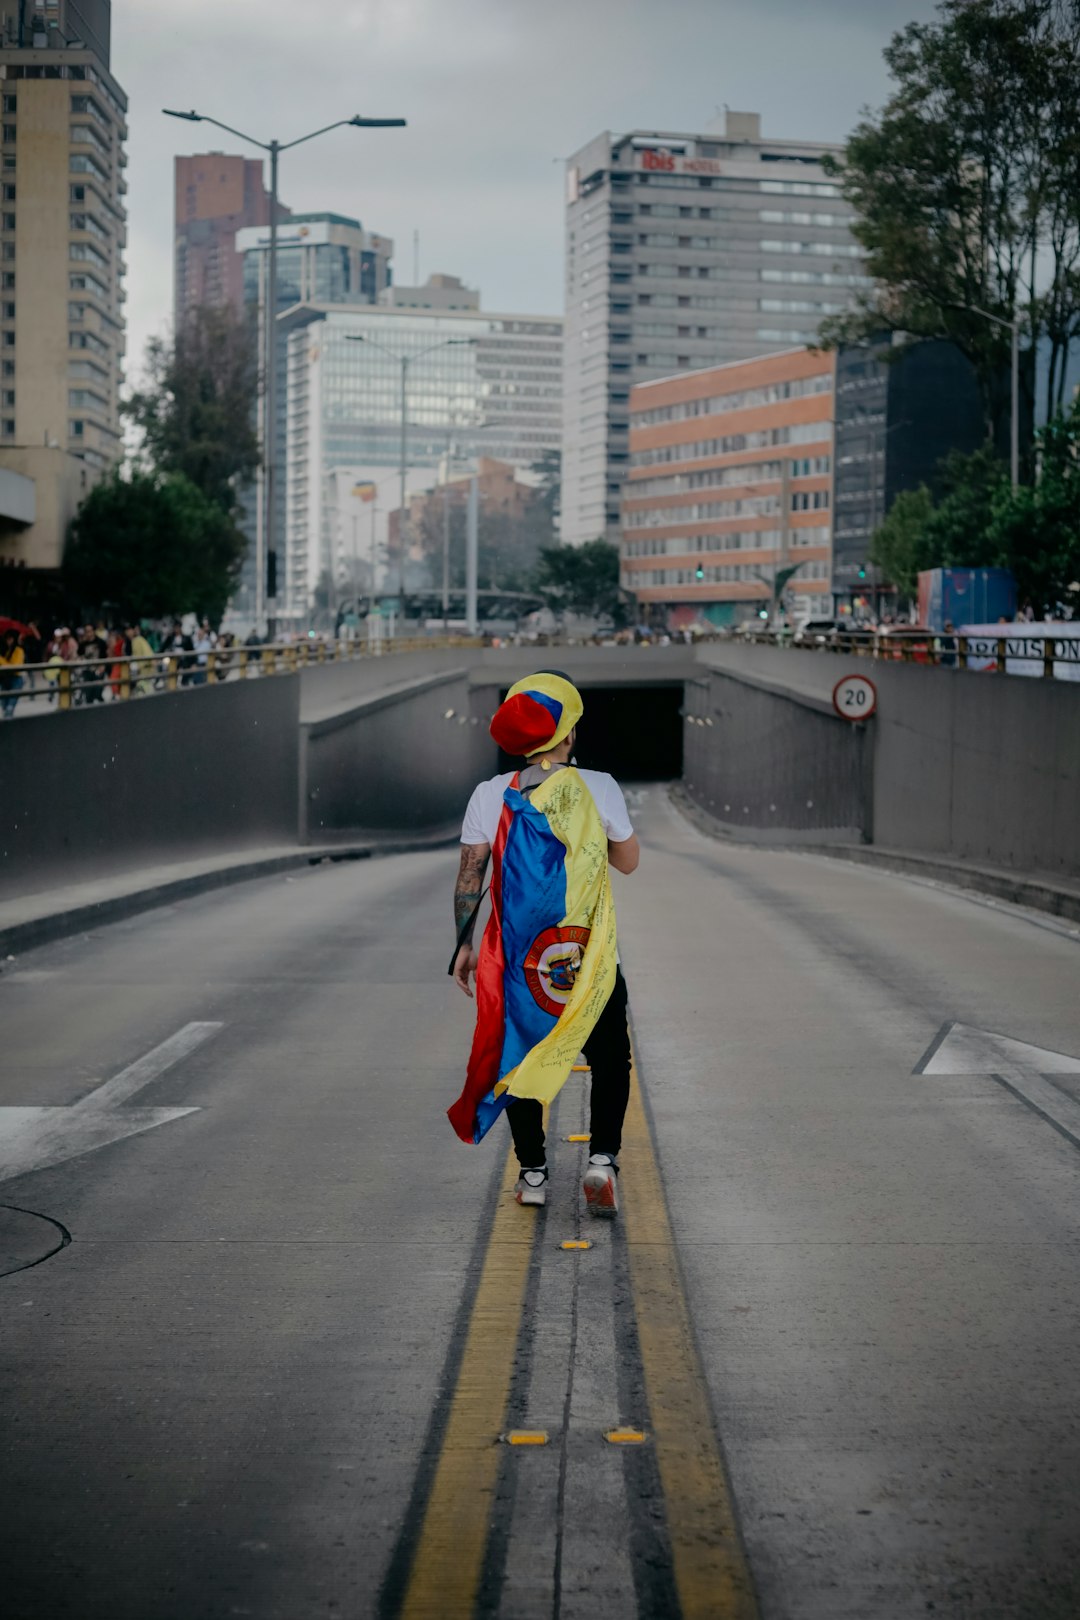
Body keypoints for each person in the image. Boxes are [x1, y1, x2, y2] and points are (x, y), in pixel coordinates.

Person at [448, 672, 640, 1216]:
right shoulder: (598, 786)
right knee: (609, 1058)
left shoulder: (490, 795)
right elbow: (627, 863)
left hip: (520, 961)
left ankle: (533, 1174)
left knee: (522, 1057)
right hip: (588, 956)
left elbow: (470, 879)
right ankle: (601, 1162)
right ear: (569, 733)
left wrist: (464, 945)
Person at [0, 627, 25, 717]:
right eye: (7, 639)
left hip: (15, 679)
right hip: (5, 679)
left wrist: (1, 660)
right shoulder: (6, 651)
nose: (8, 641)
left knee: (10, 706)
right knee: (4, 706)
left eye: (10, 639)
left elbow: (14, 666)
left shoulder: (19, 651)